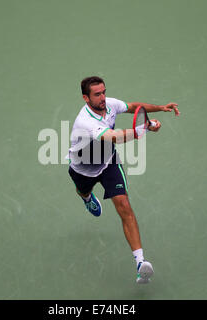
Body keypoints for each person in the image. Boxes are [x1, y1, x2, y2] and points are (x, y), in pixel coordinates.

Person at [67, 76, 180, 283]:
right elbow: (113, 137)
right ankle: (86, 198)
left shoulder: (109, 105)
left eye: (104, 92)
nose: (102, 97)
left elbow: (134, 106)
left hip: (109, 162)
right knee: (82, 191)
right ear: (85, 97)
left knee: (124, 205)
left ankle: (140, 263)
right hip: (82, 168)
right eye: (97, 94)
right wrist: (143, 129)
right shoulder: (85, 122)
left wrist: (161, 108)